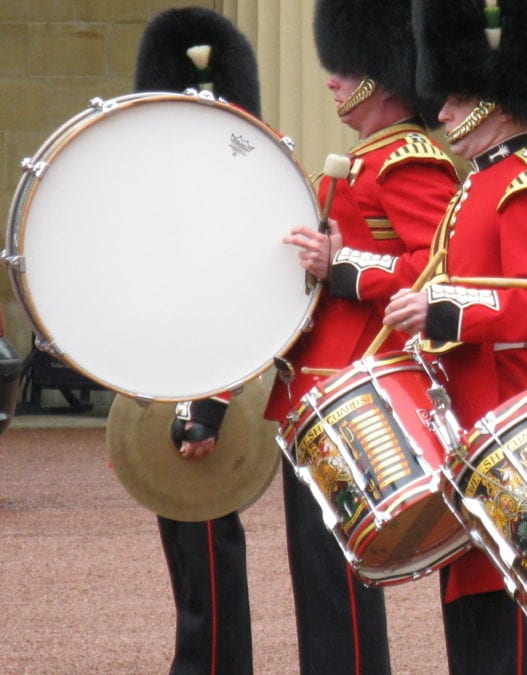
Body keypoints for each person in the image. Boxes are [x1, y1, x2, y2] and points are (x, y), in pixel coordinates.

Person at [262, 1, 460, 672]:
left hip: (355, 391)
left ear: (382, 74)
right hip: (315, 390)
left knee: (338, 581)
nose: (332, 82)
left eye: (346, 69)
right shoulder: (365, 159)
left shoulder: (409, 161)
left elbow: (436, 267)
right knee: (320, 582)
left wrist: (342, 266)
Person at [384, 0, 527, 672]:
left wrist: (445, 314)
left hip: (510, 419)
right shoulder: (476, 187)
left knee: (508, 615)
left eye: (457, 96)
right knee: (469, 606)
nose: (440, 112)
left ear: (497, 99)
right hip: (466, 418)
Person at [132, 8, 261, 673]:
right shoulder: (174, 194)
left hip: (213, 383)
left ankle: (213, 664)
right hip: (167, 378)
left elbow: (240, 305)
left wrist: (208, 402)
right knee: (183, 536)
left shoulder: (239, 197)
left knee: (208, 532)